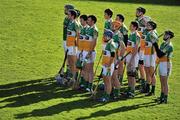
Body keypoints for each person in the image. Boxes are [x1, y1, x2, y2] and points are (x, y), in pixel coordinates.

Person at [152, 30, 174, 103]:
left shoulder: (169, 46)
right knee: (161, 81)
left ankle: (165, 98)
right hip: (161, 63)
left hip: (166, 64)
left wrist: (155, 44)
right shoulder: (163, 44)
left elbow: (160, 54)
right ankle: (161, 96)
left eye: (165, 35)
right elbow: (159, 54)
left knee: (165, 82)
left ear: (169, 36)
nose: (164, 36)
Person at [135, 7, 151, 89]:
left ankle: (143, 81)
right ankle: (141, 78)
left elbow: (148, 31)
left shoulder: (145, 21)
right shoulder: (137, 20)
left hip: (142, 47)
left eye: (137, 11)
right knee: (138, 63)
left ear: (141, 13)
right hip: (137, 44)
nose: (136, 12)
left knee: (141, 64)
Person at [99, 30, 116, 102]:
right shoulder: (107, 43)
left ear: (109, 36)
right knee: (105, 80)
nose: (104, 37)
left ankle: (107, 97)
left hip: (108, 65)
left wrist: (109, 64)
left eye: (105, 35)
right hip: (104, 64)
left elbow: (113, 55)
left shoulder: (111, 44)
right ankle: (105, 94)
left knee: (108, 81)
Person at [82, 15, 98, 92]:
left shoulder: (94, 29)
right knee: (85, 68)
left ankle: (89, 85)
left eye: (88, 20)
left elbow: (94, 42)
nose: (87, 21)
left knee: (89, 69)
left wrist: (90, 52)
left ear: (93, 21)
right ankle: (85, 84)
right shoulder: (88, 28)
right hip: (85, 51)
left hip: (90, 52)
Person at [126, 21, 140, 98]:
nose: (129, 26)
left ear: (135, 27)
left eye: (131, 26)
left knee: (132, 74)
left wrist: (131, 59)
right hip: (128, 55)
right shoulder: (131, 34)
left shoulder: (136, 35)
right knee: (128, 73)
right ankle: (129, 89)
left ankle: (132, 91)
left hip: (133, 57)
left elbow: (135, 48)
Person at [111, 21, 126, 99]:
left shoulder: (119, 35)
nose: (112, 26)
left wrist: (120, 57)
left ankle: (117, 93)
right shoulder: (113, 33)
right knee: (111, 75)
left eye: (114, 25)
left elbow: (123, 47)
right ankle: (112, 91)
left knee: (114, 76)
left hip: (115, 58)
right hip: (110, 57)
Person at [66, 9, 80, 88]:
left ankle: (75, 78)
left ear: (72, 16)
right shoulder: (70, 22)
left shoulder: (75, 23)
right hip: (69, 45)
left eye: (69, 14)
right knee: (70, 62)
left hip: (73, 46)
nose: (67, 15)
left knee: (74, 62)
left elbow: (78, 35)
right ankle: (72, 78)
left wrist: (77, 44)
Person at [144, 21, 158, 96]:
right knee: (147, 70)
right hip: (146, 53)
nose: (147, 25)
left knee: (151, 72)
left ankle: (152, 90)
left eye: (149, 25)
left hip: (151, 55)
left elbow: (155, 44)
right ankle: (147, 86)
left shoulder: (152, 33)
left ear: (152, 26)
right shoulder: (148, 32)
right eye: (147, 24)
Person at [76, 15, 89, 89]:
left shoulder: (86, 29)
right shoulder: (82, 28)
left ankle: (83, 83)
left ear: (85, 21)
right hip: (80, 49)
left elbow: (85, 41)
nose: (80, 22)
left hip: (83, 51)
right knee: (80, 67)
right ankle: (81, 82)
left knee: (84, 68)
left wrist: (82, 51)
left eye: (81, 21)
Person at [115, 14, 128, 84]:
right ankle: (115, 77)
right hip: (116, 48)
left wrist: (124, 50)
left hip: (122, 48)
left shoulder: (124, 28)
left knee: (120, 63)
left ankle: (120, 78)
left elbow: (126, 39)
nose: (115, 19)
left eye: (117, 18)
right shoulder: (116, 26)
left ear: (121, 20)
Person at [63, 4, 74, 78]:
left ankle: (69, 71)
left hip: (69, 40)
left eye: (66, 9)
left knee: (69, 56)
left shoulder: (72, 20)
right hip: (64, 38)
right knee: (66, 55)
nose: (64, 10)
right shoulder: (66, 18)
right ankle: (67, 70)